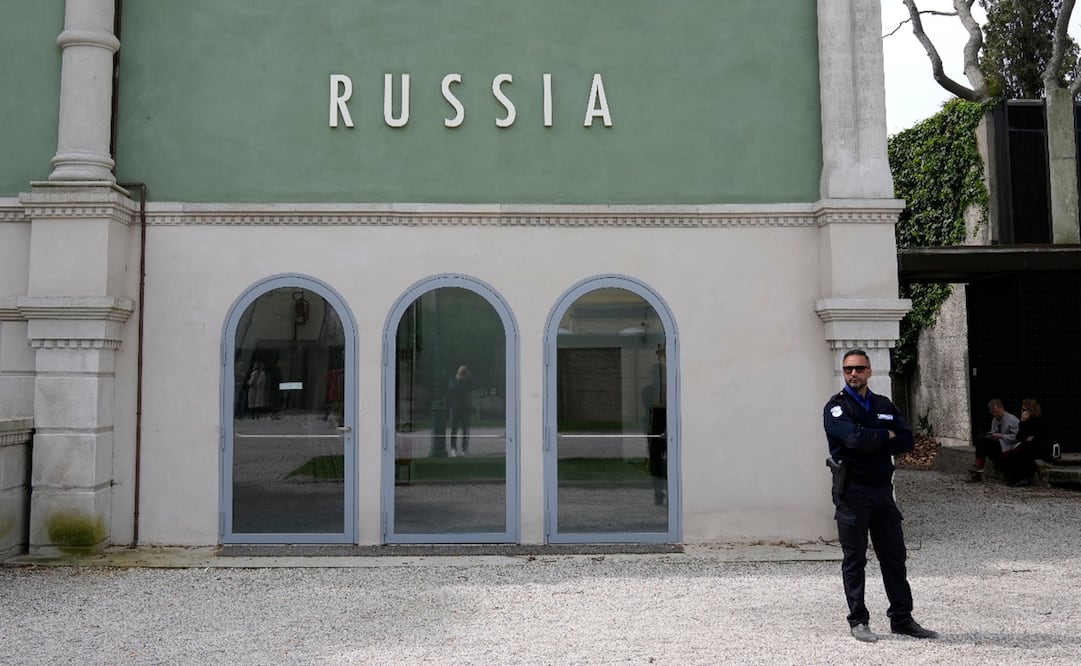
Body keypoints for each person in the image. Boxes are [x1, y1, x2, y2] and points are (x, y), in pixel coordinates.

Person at [823, 349, 938, 643]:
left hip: (882, 491)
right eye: (848, 369)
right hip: (853, 492)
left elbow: (907, 440)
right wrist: (884, 435)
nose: (854, 374)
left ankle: (902, 618)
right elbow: (851, 439)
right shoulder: (836, 407)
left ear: (869, 371)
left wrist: (869, 438)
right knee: (855, 559)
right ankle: (858, 620)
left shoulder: (884, 404)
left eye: (859, 368)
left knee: (894, 556)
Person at [968, 399, 1020, 484]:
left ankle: (978, 468)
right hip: (998, 445)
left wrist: (1002, 436)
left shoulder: (1012, 419)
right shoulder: (995, 420)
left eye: (997, 412)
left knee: (983, 444)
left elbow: (1017, 437)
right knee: (981, 443)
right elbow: (994, 432)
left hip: (1008, 446)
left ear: (1002, 408)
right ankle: (978, 468)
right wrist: (992, 436)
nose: (995, 414)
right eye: (993, 413)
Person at [1008, 399, 1048, 487]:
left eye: (1024, 410)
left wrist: (1027, 434)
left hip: (1039, 448)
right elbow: (1019, 437)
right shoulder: (1026, 422)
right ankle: (1017, 478)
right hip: (1028, 446)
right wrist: (1023, 422)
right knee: (1013, 453)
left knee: (1023, 452)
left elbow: (1035, 437)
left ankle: (1024, 478)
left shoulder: (1037, 421)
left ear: (1030, 410)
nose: (1022, 412)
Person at [447, 365, 473, 457]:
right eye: (462, 372)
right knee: (454, 429)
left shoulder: (467, 382)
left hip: (465, 408)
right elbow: (452, 390)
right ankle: (453, 449)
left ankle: (464, 449)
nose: (463, 374)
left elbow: (469, 390)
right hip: (455, 408)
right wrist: (459, 380)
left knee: (465, 430)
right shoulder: (453, 380)